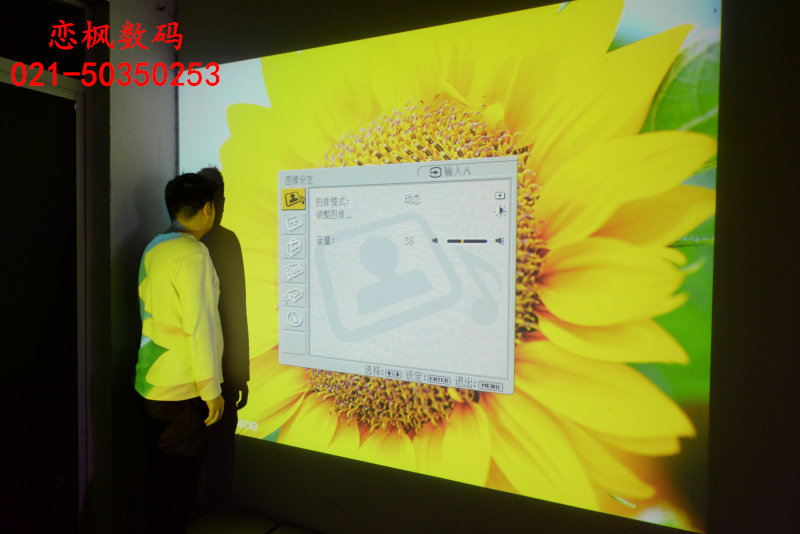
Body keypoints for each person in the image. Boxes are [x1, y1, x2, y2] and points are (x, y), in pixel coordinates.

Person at [134, 173, 225, 533]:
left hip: (151, 380)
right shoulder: (193, 254)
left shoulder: (155, 246)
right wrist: (211, 389)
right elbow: (199, 325)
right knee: (179, 485)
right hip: (182, 389)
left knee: (159, 480)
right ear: (207, 209)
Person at [197, 166, 250, 510]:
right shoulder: (225, 241)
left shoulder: (172, 242)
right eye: (220, 200)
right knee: (220, 447)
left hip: (186, 371)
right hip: (219, 368)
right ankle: (217, 508)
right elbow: (235, 311)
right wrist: (240, 374)